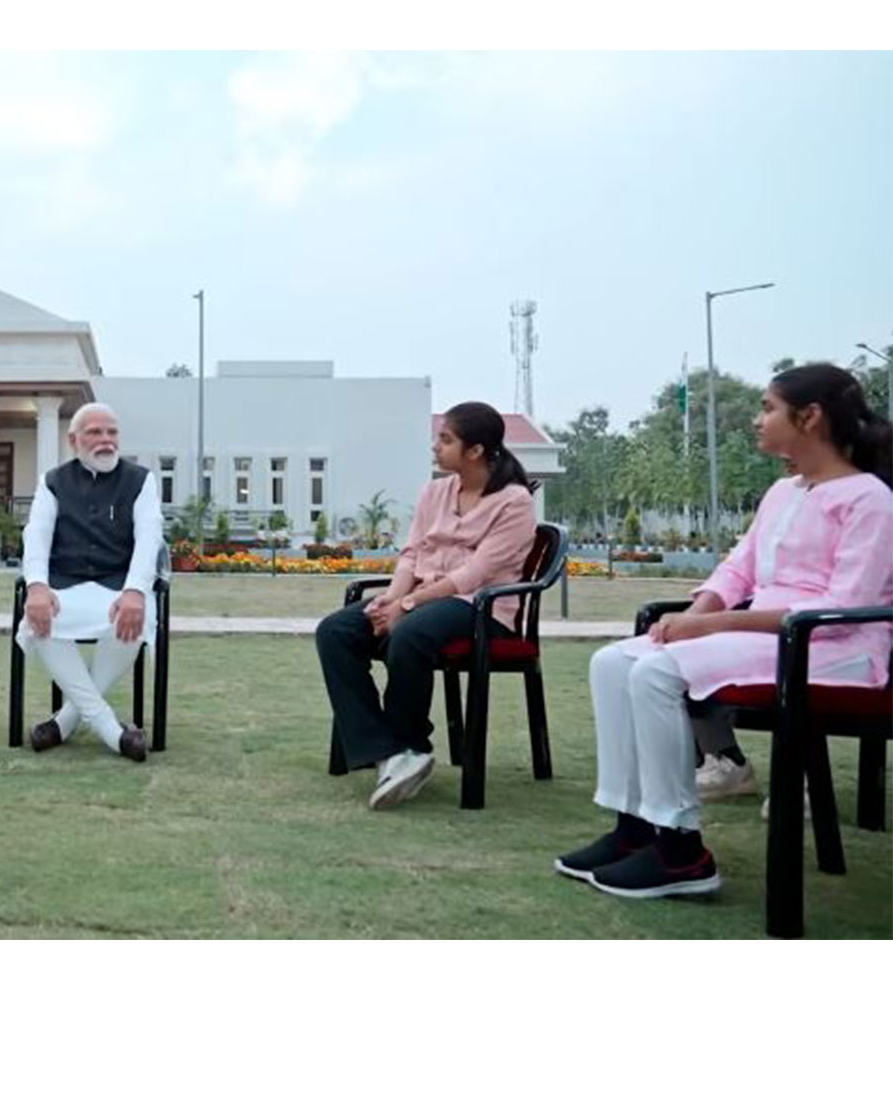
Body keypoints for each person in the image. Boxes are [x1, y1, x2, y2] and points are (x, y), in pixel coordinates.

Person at [555, 364, 893, 898]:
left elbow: (842, 607)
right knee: (611, 662)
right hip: (767, 639)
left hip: (837, 648)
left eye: (767, 408)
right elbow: (738, 569)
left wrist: (711, 624)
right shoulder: (784, 493)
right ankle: (632, 828)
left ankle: (680, 850)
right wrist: (700, 613)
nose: (757, 421)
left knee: (656, 671)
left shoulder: (870, 499)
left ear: (810, 418)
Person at [315, 401, 537, 809]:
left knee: (409, 632)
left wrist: (408, 605)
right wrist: (391, 599)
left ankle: (410, 744)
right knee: (336, 631)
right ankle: (386, 751)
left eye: (446, 439)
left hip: (480, 609)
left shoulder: (514, 502)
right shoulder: (434, 492)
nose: (435, 446)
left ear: (474, 451)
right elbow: (412, 555)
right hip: (423, 600)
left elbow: (474, 575)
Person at [18, 402, 164, 762]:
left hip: (119, 585)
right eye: (95, 432)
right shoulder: (52, 481)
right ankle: (113, 733)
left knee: (134, 618)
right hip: (65, 585)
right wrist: (36, 585)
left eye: (111, 432)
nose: (105, 440)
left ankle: (65, 721)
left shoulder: (141, 480)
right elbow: (36, 535)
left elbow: (150, 538)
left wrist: (134, 591)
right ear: (74, 440)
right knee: (40, 618)